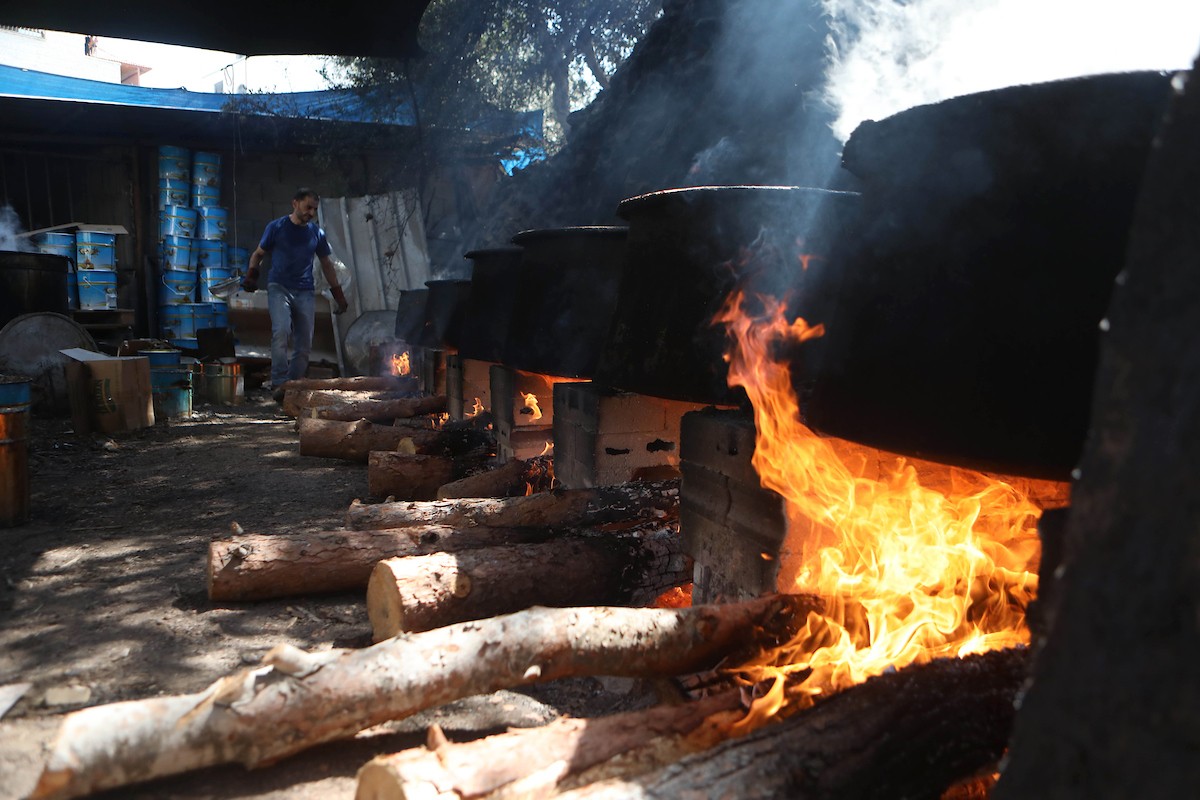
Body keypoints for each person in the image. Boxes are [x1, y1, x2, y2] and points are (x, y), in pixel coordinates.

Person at [241, 188, 349, 396]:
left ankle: (293, 385)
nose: (311, 213)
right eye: (308, 207)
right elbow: (258, 254)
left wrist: (339, 295)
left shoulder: (316, 233)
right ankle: (279, 383)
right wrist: (252, 276)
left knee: (305, 343)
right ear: (295, 203)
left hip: (304, 291)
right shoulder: (276, 227)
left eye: (315, 209)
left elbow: (327, 265)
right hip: (279, 287)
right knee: (281, 331)